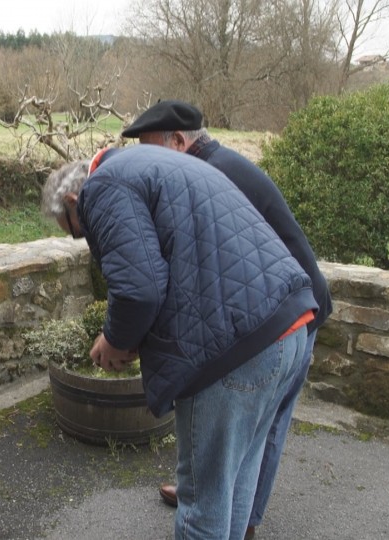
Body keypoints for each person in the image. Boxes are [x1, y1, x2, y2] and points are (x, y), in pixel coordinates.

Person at [41, 146, 318, 540]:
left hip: (235, 351)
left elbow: (138, 291)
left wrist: (115, 339)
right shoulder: (153, 165)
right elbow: (177, 262)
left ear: (74, 200)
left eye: (76, 231)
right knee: (235, 481)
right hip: (288, 329)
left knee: (203, 505)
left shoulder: (102, 186)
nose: (83, 237)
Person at [120, 100, 333, 537]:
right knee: (242, 434)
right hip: (282, 305)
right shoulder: (209, 165)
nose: (145, 161)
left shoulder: (216, 172)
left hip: (289, 312)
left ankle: (244, 522)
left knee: (262, 429)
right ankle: (215, 499)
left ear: (178, 142)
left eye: (149, 148)